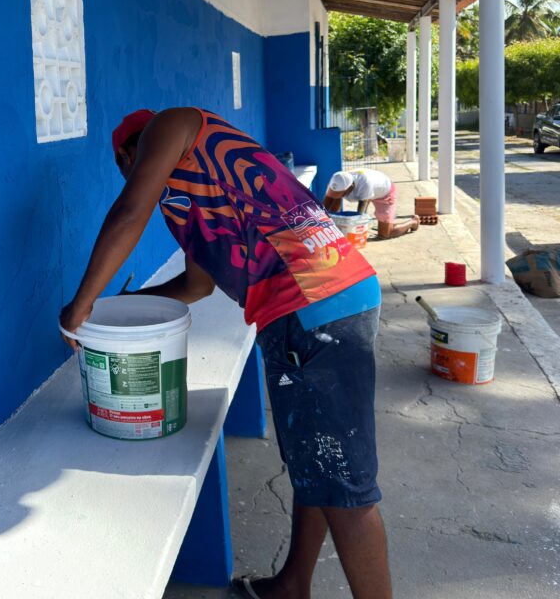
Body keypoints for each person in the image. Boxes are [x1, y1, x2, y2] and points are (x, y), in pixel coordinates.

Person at [59, 107, 391, 599]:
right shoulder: (189, 197)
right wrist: (125, 306)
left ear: (131, 155)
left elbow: (129, 212)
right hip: (320, 301)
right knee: (316, 460)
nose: (135, 178)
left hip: (311, 306)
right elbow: (197, 285)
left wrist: (81, 305)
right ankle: (292, 584)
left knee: (346, 487)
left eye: (129, 168)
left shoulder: (172, 124)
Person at [323, 169, 419, 240]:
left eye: (341, 193)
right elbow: (324, 208)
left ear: (351, 187)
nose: (338, 196)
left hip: (385, 193)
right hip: (370, 189)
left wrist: (352, 232)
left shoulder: (365, 184)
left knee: (385, 234)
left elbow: (360, 215)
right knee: (333, 206)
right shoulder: (336, 181)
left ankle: (413, 222)